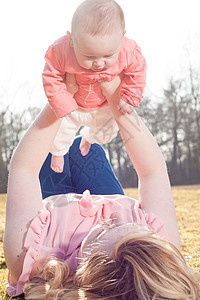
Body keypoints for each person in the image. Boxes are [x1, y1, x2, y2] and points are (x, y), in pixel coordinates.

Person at [4, 75, 200, 299]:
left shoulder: (33, 257)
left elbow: (24, 169)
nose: (114, 217)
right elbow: (152, 171)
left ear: (87, 274)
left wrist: (62, 97)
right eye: (128, 225)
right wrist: (118, 100)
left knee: (51, 153)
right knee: (84, 148)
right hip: (106, 194)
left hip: (55, 212)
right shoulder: (160, 247)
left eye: (107, 227)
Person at [42, 0, 146, 173]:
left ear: (122, 37)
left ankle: (88, 138)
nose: (98, 63)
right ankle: (58, 153)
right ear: (72, 40)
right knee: (59, 131)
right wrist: (62, 102)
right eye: (89, 56)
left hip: (103, 106)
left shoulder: (128, 50)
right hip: (73, 106)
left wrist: (130, 97)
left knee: (109, 131)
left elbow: (138, 72)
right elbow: (50, 75)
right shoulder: (61, 51)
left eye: (107, 55)